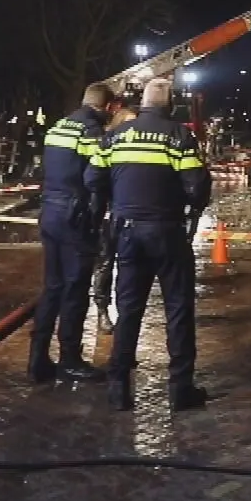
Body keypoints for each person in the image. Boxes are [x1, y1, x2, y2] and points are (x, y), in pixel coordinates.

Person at [87, 77, 212, 412]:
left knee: (128, 311)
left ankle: (118, 388)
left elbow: (92, 179)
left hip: (126, 233)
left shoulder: (114, 136)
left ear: (141, 104)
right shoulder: (179, 137)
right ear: (170, 106)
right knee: (178, 310)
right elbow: (197, 188)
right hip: (167, 233)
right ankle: (180, 390)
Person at [28, 84, 121, 384]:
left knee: (52, 288)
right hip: (74, 218)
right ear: (107, 108)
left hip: (50, 214)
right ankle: (70, 359)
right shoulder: (90, 132)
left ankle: (37, 358)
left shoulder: (58, 126)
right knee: (75, 289)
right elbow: (99, 174)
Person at [90, 97, 140, 336]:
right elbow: (93, 179)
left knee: (130, 266)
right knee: (105, 264)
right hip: (107, 215)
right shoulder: (106, 144)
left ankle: (126, 313)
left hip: (130, 217)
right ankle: (102, 311)